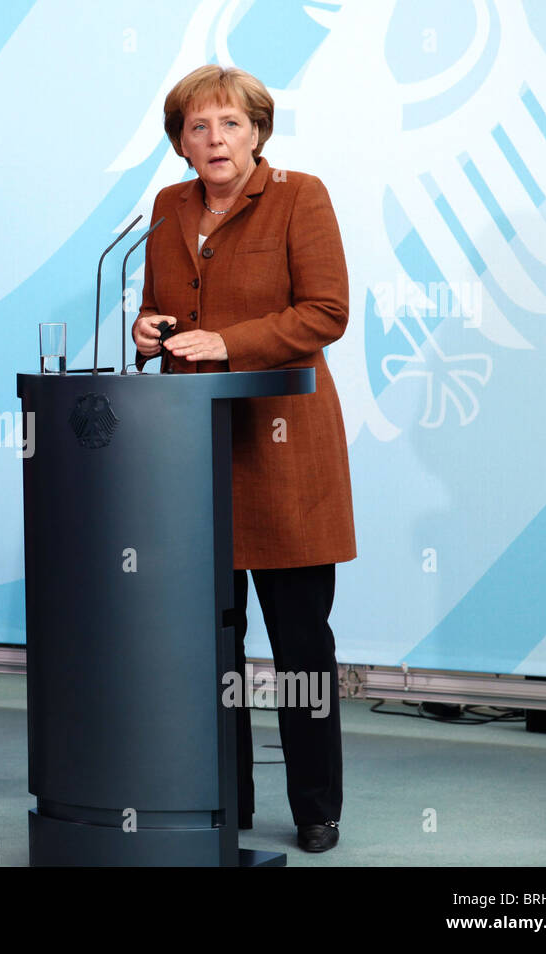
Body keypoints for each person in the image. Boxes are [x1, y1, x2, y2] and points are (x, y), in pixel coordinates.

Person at [131, 65, 355, 853]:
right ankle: (226, 797)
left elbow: (325, 312)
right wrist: (149, 330)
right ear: (180, 142)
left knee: (299, 643)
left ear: (258, 131)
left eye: (228, 124)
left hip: (283, 453)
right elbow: (165, 308)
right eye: (198, 127)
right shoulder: (168, 207)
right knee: (207, 643)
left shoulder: (301, 194)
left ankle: (317, 806)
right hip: (191, 456)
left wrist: (228, 341)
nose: (214, 139)